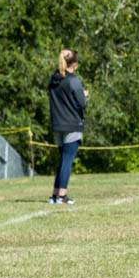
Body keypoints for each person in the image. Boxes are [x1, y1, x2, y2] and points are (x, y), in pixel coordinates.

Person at [47, 49, 87, 204]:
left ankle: (55, 195)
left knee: (63, 159)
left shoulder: (53, 79)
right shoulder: (73, 81)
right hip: (71, 124)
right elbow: (82, 104)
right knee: (67, 160)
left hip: (57, 125)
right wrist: (85, 95)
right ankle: (62, 196)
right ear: (75, 65)